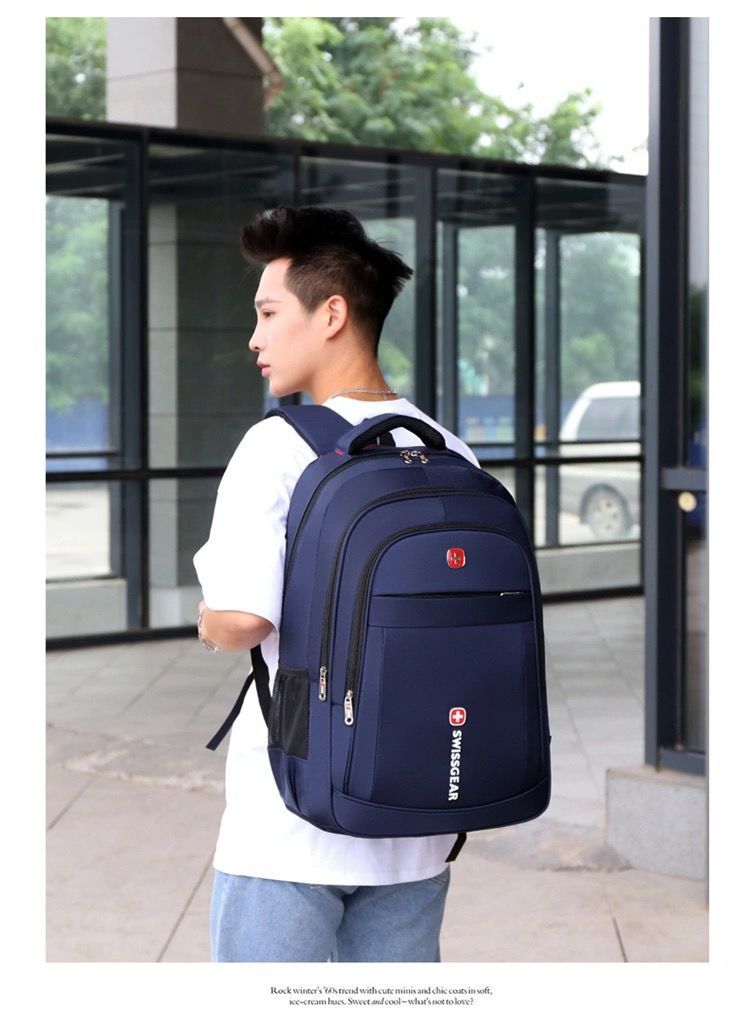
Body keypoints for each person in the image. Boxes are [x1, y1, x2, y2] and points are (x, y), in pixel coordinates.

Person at [193, 206, 481, 963]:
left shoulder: (277, 446)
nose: (254, 338)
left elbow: (241, 620)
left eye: (267, 313)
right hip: (416, 824)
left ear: (331, 314)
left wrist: (206, 616)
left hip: (291, 824)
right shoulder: (451, 451)